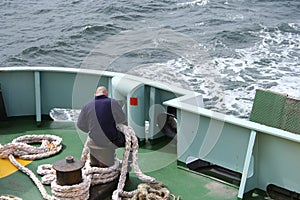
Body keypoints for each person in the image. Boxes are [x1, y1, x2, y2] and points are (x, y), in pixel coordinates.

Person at [77, 86, 126, 167]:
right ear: (106, 93)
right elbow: (122, 119)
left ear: (95, 94)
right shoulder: (113, 102)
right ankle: (126, 167)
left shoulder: (87, 105)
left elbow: (80, 125)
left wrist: (90, 129)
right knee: (134, 140)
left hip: (95, 139)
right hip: (111, 140)